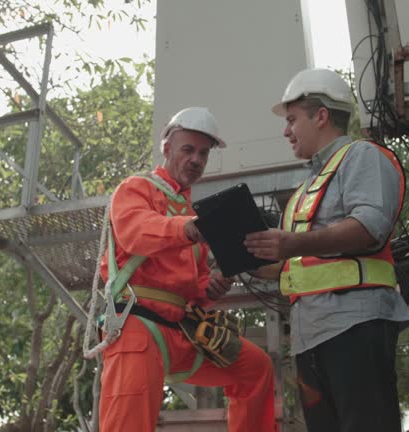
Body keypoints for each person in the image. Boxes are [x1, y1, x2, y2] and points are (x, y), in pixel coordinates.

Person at [244, 68, 409, 432]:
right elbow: (295, 263)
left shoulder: (363, 157)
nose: (285, 131)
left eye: (292, 120)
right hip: (310, 338)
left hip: (355, 324)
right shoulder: (305, 189)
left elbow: (369, 227)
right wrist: (242, 260)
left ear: (321, 116)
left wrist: (293, 243)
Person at [99, 107, 277, 432]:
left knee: (256, 367)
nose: (196, 159)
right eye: (188, 149)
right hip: (139, 325)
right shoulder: (136, 188)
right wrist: (190, 229)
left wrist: (212, 288)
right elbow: (135, 232)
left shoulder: (193, 214)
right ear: (166, 148)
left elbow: (196, 288)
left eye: (204, 153)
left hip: (184, 331)